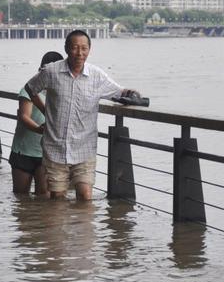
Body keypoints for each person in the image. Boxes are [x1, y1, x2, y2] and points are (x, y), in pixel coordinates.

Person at [25, 30, 140, 200]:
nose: (80, 53)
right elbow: (30, 88)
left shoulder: (96, 76)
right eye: (75, 48)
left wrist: (133, 93)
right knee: (57, 198)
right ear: (66, 48)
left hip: (85, 148)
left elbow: (118, 90)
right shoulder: (51, 72)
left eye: (84, 48)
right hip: (55, 146)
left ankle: (83, 227)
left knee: (85, 197)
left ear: (89, 50)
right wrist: (46, 111)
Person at [10, 51, 63, 195]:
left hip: (47, 153)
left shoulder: (61, 93)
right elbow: (24, 116)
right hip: (23, 151)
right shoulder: (29, 89)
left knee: (43, 199)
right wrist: (40, 130)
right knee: (21, 196)